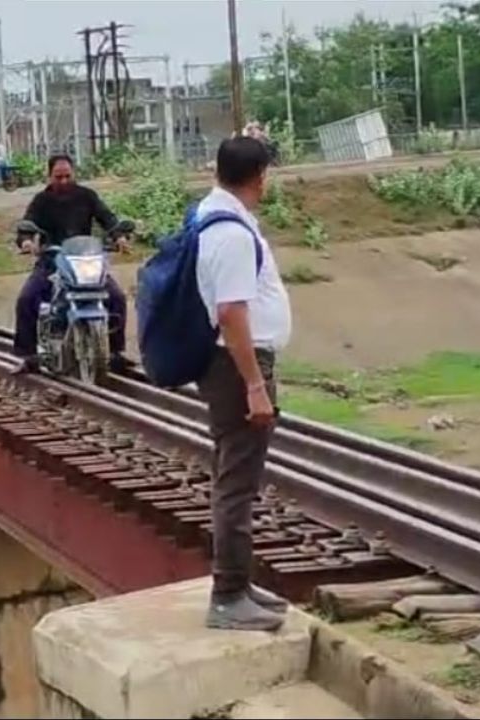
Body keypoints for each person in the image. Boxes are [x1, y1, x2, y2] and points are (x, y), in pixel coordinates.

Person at [195, 137, 291, 632]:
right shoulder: (230, 233)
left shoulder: (212, 214)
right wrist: (255, 384)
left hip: (230, 364)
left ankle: (240, 585)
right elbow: (231, 312)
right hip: (237, 368)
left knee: (235, 475)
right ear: (260, 178)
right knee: (236, 482)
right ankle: (228, 595)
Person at [15, 154, 130, 372]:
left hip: (86, 261)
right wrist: (27, 241)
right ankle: (28, 355)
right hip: (52, 260)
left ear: (74, 173)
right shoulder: (41, 200)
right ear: (49, 176)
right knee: (26, 298)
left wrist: (119, 236)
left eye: (67, 176)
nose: (64, 181)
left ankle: (115, 351)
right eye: (58, 177)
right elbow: (26, 225)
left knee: (117, 297)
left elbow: (108, 218)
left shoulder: (87, 196)